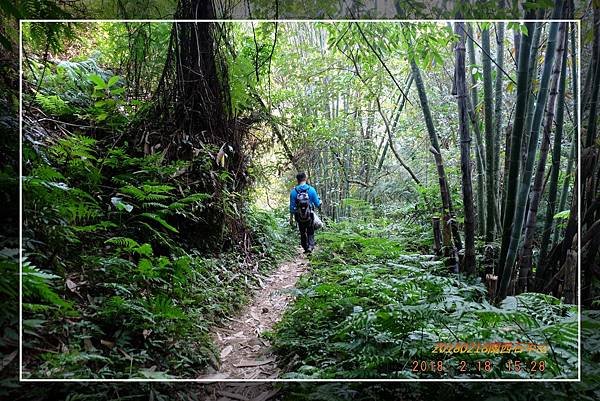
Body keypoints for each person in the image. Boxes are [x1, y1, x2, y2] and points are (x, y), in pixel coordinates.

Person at [289, 172, 322, 254]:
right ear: (305, 178)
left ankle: (305, 247)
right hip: (309, 215)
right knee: (310, 230)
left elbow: (292, 208)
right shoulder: (311, 190)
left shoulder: (293, 192)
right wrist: (320, 202)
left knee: (302, 231)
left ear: (297, 180)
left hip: (299, 216)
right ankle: (311, 246)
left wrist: (291, 218)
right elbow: (317, 204)